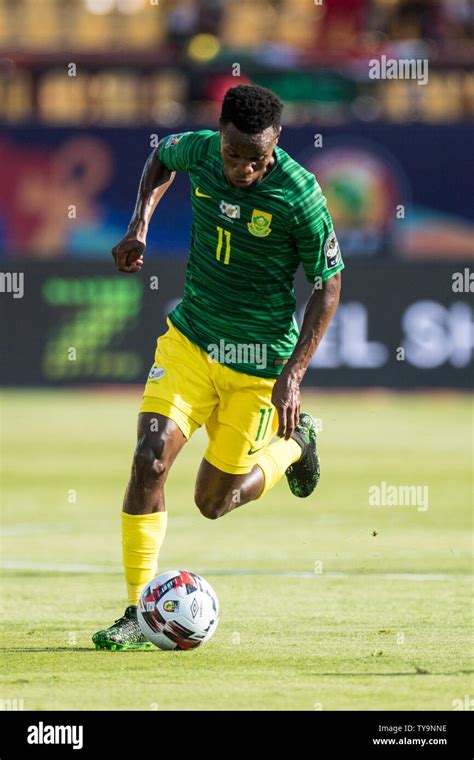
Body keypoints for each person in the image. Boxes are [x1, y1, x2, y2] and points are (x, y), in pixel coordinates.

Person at [93, 84, 343, 650]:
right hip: (190, 341)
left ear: (275, 142)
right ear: (221, 136)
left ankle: (295, 444)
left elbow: (328, 287)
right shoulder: (202, 149)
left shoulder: (300, 195)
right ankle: (136, 611)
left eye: (255, 158)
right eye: (233, 154)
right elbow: (159, 158)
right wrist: (139, 225)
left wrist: (293, 374)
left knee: (214, 503)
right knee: (148, 460)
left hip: (258, 365)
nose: (241, 168)